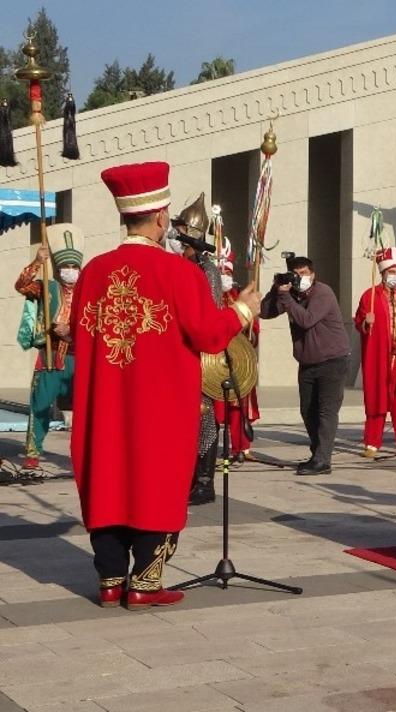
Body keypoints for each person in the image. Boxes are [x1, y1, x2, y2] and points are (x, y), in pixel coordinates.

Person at [72, 161, 259, 608]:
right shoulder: (179, 273)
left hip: (107, 402)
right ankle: (145, 583)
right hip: (159, 405)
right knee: (154, 479)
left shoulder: (94, 273)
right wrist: (244, 310)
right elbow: (209, 334)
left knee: (109, 476)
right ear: (159, 218)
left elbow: (78, 337)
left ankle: (111, 579)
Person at [260, 255, 351, 475]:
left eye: (304, 273)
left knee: (326, 412)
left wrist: (287, 299)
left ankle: (322, 460)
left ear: (313, 274)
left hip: (333, 360)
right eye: (296, 274)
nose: (301, 278)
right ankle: (317, 453)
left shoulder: (323, 292)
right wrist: (276, 289)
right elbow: (264, 312)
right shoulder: (290, 294)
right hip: (308, 362)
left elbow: (307, 319)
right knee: (307, 410)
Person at [167, 194, 223, 505]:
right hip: (180, 354)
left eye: (179, 231)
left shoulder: (206, 270)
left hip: (202, 357)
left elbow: (210, 315)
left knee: (203, 418)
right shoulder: (180, 266)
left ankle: (204, 482)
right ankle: (187, 478)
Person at [15, 224, 82, 470]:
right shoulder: (47, 286)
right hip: (51, 355)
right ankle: (33, 452)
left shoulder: (89, 291)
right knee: (40, 405)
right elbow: (21, 285)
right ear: (58, 267)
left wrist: (72, 330)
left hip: (80, 358)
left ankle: (82, 456)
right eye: (66, 266)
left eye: (75, 267)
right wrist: (37, 261)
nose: (70, 271)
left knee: (85, 412)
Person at [354, 247, 396, 458]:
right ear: (382, 273)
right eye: (390, 272)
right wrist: (366, 322)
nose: (394, 275)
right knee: (378, 397)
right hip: (381, 357)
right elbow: (359, 321)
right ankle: (372, 442)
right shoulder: (370, 296)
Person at [212, 243, 260, 463]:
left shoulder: (239, 295)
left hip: (238, 358)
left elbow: (254, 325)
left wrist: (251, 327)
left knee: (238, 405)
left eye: (228, 273)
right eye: (222, 273)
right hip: (214, 359)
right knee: (213, 408)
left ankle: (242, 447)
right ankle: (210, 449)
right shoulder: (210, 295)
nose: (225, 277)